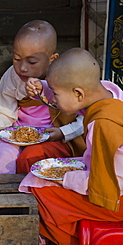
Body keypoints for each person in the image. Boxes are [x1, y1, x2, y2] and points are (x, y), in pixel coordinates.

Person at [19, 48, 123, 245]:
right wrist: (44, 88)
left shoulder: (104, 124)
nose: (53, 100)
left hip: (116, 200)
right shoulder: (110, 96)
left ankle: (65, 239)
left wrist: (63, 178)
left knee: (41, 191)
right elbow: (71, 92)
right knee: (37, 175)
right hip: (108, 181)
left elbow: (107, 182)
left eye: (55, 94)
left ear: (78, 93)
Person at [0, 20, 86, 174]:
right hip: (16, 133)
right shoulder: (12, 77)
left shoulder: (66, 78)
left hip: (54, 136)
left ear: (52, 59)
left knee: (30, 158)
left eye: (32, 62)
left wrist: (63, 132)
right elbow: (6, 114)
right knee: (0, 158)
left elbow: (84, 120)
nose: (22, 68)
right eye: (17, 59)